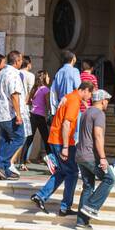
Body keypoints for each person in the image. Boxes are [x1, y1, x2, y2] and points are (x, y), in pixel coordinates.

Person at [32, 80, 93, 215]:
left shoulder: (71, 97)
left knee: (63, 171)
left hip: (57, 139)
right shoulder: (74, 101)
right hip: (62, 141)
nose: (90, 99)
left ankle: (41, 196)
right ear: (85, 90)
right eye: (90, 95)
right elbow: (66, 124)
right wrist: (65, 147)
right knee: (72, 172)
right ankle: (64, 207)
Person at [74, 89, 115, 228]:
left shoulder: (86, 112)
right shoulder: (99, 114)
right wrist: (103, 158)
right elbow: (98, 135)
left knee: (88, 186)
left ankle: (81, 221)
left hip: (80, 155)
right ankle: (91, 206)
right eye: (107, 100)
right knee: (110, 179)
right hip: (90, 156)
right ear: (102, 100)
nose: (108, 103)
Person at [0, 50, 26, 180]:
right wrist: (19, 115)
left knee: (5, 141)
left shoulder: (1, 72)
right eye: (21, 60)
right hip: (10, 114)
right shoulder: (13, 74)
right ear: (17, 61)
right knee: (20, 138)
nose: (22, 62)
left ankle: (4, 169)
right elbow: (14, 95)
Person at [28, 70, 52, 165]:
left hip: (33, 115)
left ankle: (22, 162)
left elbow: (28, 101)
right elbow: (47, 104)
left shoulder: (35, 89)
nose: (49, 78)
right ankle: (51, 159)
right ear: (45, 78)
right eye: (48, 76)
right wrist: (50, 111)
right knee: (46, 139)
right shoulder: (45, 89)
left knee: (29, 139)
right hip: (40, 116)